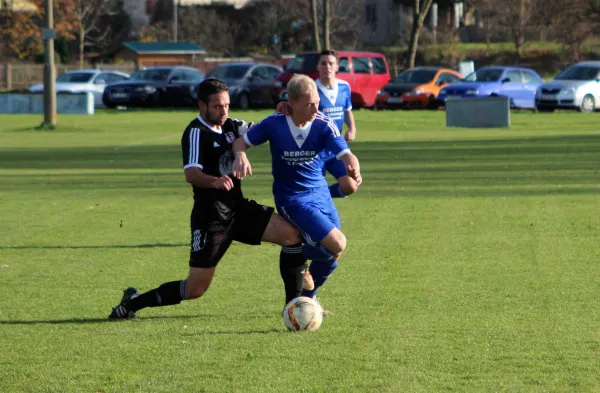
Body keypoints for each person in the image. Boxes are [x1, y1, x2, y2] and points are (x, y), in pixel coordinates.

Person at [109, 78, 306, 319]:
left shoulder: (232, 125)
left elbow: (262, 130)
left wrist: (280, 110)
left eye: (227, 105)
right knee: (195, 289)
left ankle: (293, 308)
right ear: (201, 105)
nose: (223, 111)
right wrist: (215, 181)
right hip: (210, 218)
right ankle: (134, 302)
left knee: (292, 236)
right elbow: (191, 174)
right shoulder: (195, 132)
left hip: (238, 209)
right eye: (217, 106)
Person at [232, 74, 362, 313]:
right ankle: (297, 256)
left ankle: (306, 298)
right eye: (308, 104)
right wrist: (241, 155)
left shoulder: (323, 123)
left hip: (320, 194)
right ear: (291, 103)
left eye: (316, 103)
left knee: (333, 253)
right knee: (337, 243)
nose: (315, 108)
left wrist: (353, 162)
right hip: (292, 198)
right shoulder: (274, 123)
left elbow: (343, 151)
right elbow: (241, 143)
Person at [277, 50, 360, 299]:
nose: (326, 67)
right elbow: (288, 100)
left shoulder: (344, 87)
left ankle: (307, 296)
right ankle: (304, 238)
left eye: (330, 63)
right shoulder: (309, 86)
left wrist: (352, 128)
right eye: (322, 63)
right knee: (334, 245)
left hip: (332, 149)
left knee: (350, 185)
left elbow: (347, 110)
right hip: (311, 155)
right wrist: (283, 103)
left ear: (337, 66)